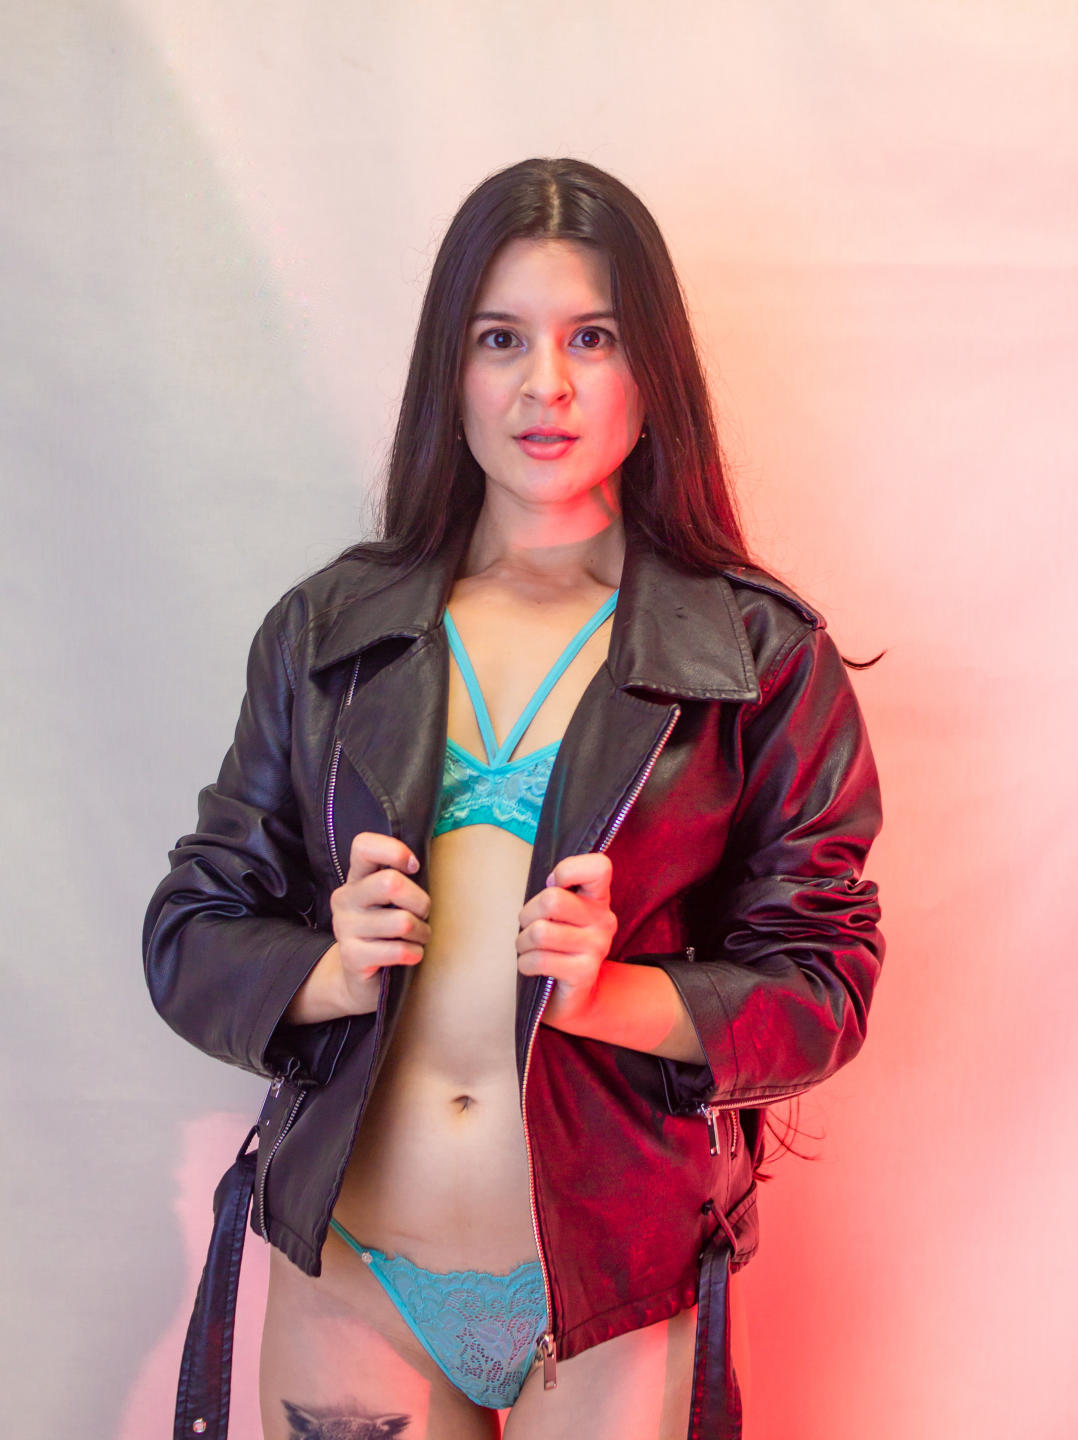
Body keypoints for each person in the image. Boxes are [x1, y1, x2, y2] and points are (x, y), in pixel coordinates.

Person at [143, 156, 884, 1440]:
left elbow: (825, 984)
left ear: (652, 370)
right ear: (453, 370)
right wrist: (328, 971)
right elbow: (191, 929)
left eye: (592, 336)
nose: (546, 383)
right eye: (501, 339)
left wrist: (614, 993)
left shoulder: (758, 657)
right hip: (355, 1273)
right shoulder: (328, 633)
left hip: (614, 1293)